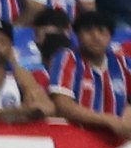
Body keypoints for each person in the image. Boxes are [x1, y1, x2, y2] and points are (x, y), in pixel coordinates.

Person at [46, 9, 131, 137]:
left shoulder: (123, 63)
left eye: (101, 31)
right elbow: (63, 105)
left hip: (118, 139)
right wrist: (108, 120)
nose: (95, 36)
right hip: (75, 136)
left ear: (110, 36)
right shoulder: (67, 58)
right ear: (77, 35)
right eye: (88, 31)